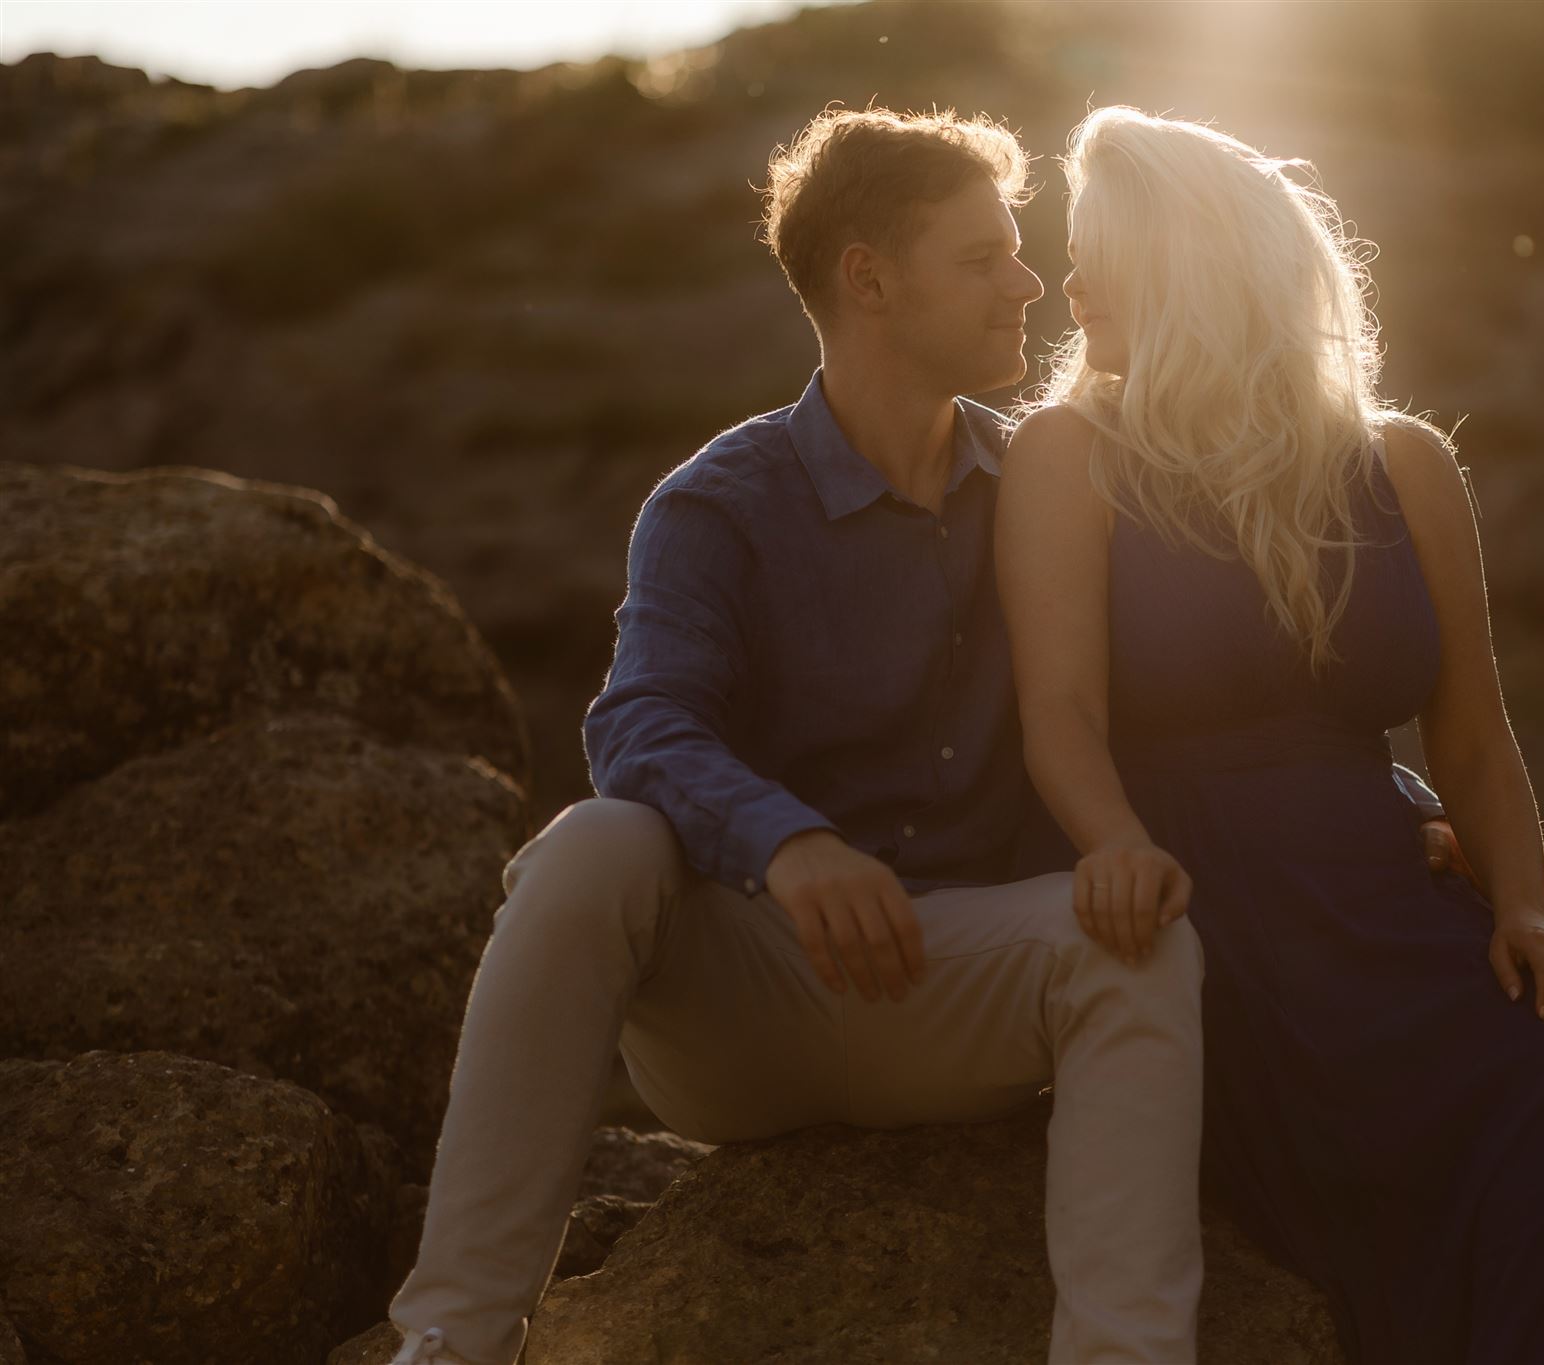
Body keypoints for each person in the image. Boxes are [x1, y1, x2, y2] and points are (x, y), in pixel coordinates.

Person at [382, 106, 1466, 1365]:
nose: (1027, 283)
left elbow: (1177, 711)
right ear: (869, 279)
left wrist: (1387, 805)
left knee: (1136, 946)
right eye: (981, 258)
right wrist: (789, 845)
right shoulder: (719, 502)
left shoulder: (1056, 487)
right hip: (755, 1002)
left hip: (970, 989)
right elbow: (638, 720)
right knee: (591, 846)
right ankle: (452, 1340)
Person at [994, 106, 1544, 1363]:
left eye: (1096, 252)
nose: (1070, 286)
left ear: (1186, 264)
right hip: (1207, 911)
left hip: (1380, 891)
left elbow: (1470, 733)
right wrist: (1116, 850)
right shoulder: (1067, 453)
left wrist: (1523, 906)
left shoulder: (1403, 461)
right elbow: (1061, 715)